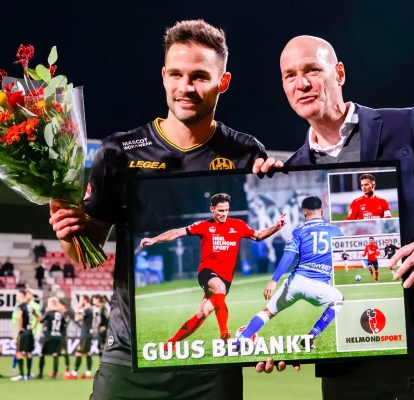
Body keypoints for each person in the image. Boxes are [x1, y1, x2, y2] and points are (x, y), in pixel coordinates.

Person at [252, 35, 414, 399]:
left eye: (312, 70)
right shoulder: (294, 171)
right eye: (290, 75)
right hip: (347, 363)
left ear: (339, 73)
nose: (301, 83)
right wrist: (279, 343)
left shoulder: (406, 126)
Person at [48, 19, 279, 400]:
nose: (185, 87)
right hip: (129, 357)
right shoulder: (119, 151)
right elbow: (84, 254)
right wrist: (67, 228)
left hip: (211, 370)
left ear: (223, 82)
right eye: (176, 74)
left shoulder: (246, 152)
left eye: (200, 77)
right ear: (163, 76)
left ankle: (220, 335)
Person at [140, 193, 286, 344]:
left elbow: (258, 235)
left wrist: (276, 227)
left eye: (226, 210)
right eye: (220, 210)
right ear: (212, 209)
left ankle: (170, 343)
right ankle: (224, 332)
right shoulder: (203, 226)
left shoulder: (237, 225)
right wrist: (154, 239)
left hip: (226, 278)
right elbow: (176, 233)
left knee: (203, 313)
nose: (224, 214)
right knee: (219, 288)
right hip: (207, 272)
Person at [236, 196, 344, 350]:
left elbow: (288, 256)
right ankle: (311, 336)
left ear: (304, 212)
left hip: (296, 282)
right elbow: (344, 253)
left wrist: (273, 281)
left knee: (267, 312)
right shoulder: (335, 231)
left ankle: (239, 342)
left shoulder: (299, 231)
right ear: (321, 212)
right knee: (339, 300)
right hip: (319, 287)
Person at [11, 289, 40, 381]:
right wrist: (34, 327)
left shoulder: (21, 306)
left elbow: (19, 317)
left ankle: (22, 375)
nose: (16, 297)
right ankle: (28, 374)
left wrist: (20, 328)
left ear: (22, 296)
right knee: (28, 352)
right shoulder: (30, 307)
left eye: (17, 296)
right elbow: (39, 317)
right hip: (30, 331)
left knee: (19, 352)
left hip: (23, 332)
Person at [38, 297, 66, 379]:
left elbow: (41, 321)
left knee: (42, 354)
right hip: (58, 336)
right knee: (55, 354)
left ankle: (40, 374)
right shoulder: (61, 314)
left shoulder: (48, 313)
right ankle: (54, 374)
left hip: (49, 335)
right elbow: (64, 324)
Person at [72, 295, 95, 379]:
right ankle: (88, 372)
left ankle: (75, 372)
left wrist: (78, 307)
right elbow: (77, 318)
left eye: (81, 300)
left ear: (85, 300)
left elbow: (78, 318)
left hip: (86, 334)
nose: (80, 301)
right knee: (87, 352)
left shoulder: (88, 310)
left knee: (79, 352)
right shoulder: (87, 309)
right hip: (86, 333)